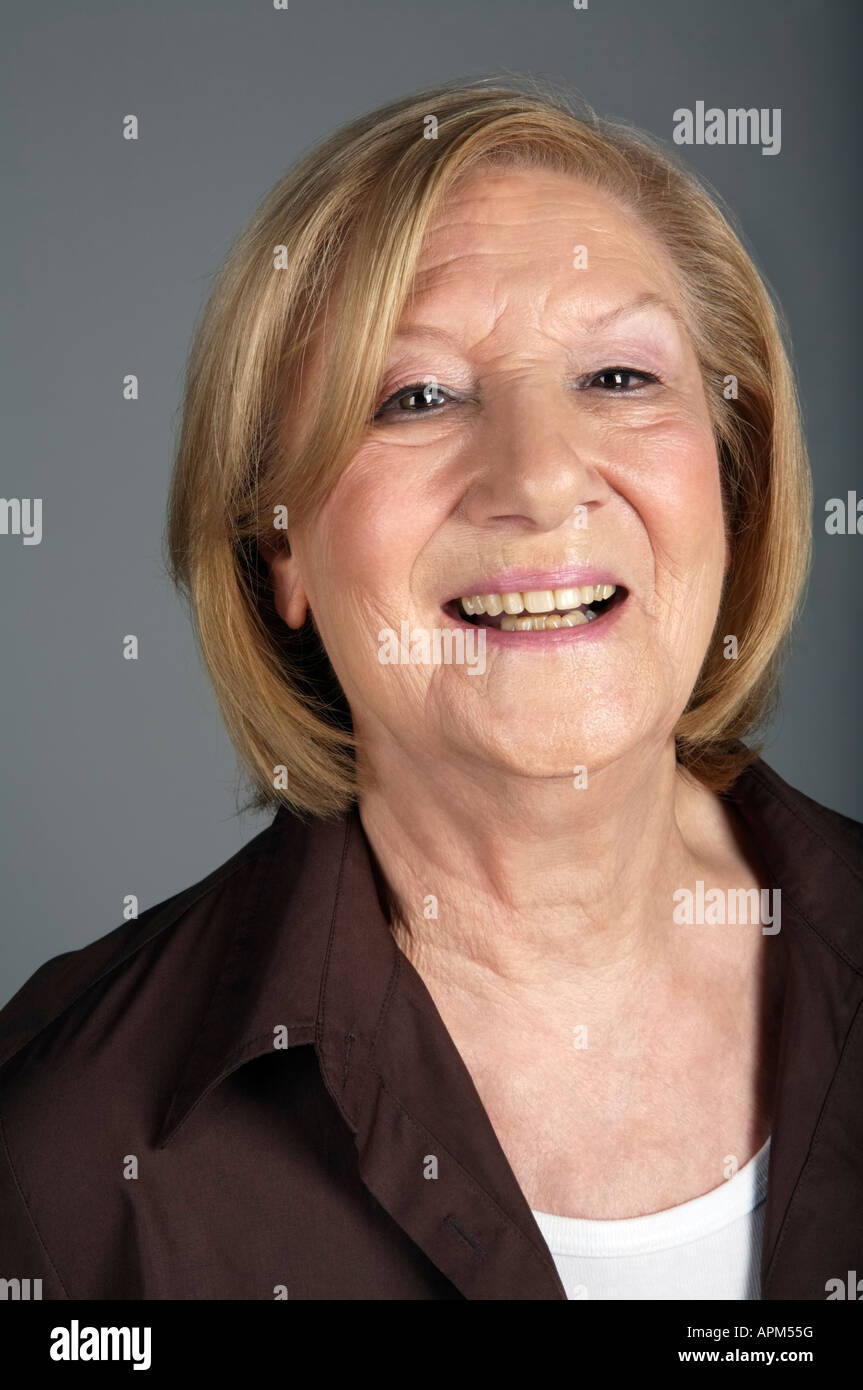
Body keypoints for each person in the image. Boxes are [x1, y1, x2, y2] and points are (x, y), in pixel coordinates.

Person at [1, 78, 860, 1301]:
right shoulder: (61, 1152)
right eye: (416, 396)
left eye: (617, 376)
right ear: (278, 542)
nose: (540, 476)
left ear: (731, 480)